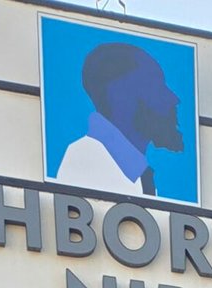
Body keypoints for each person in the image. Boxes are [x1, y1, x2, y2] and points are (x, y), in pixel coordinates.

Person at [55, 39, 186, 196]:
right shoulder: (84, 163)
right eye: (156, 87)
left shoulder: (136, 172)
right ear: (120, 96)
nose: (173, 98)